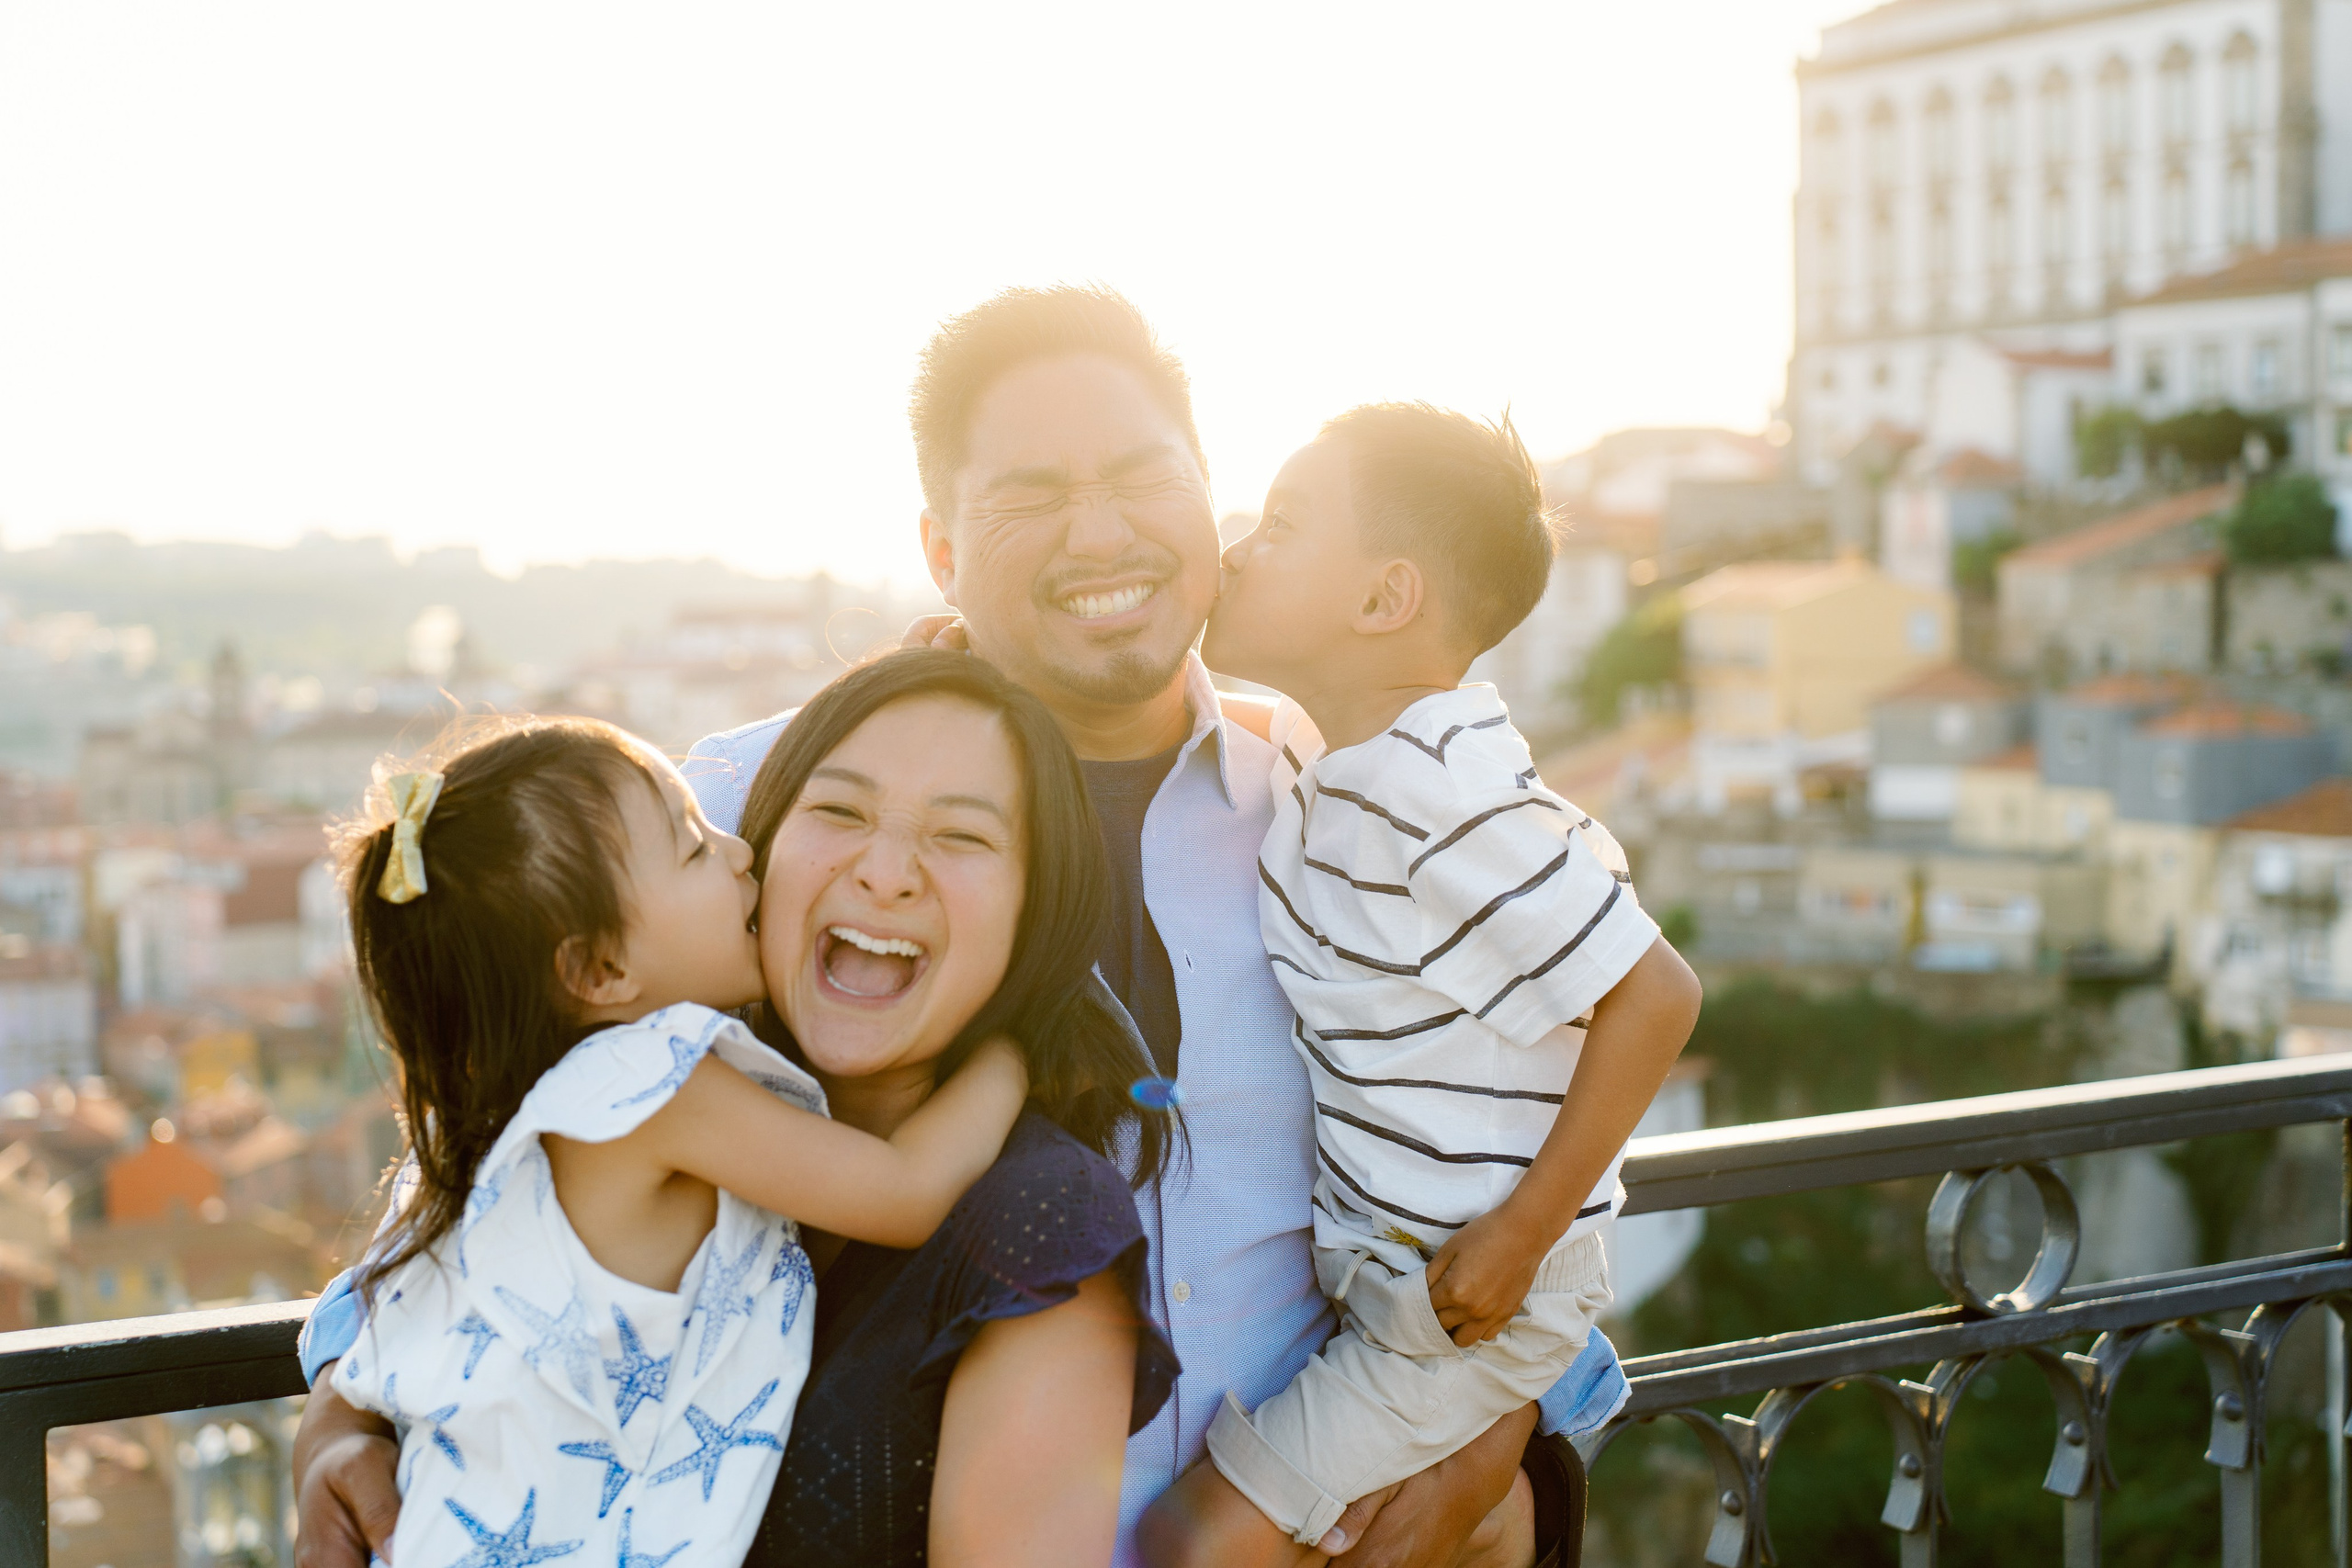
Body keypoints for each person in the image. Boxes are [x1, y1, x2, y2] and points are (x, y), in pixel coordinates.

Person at [295, 284, 1631, 1567]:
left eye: (1143, 476)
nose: (1100, 534)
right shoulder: (756, 816)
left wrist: (1495, 1453)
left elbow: (1497, 1141)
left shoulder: (1339, 805)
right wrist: (344, 1412)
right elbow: (522, 1103)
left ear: (1208, 499)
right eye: (1032, 494)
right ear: (939, 548)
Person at [293, 651, 1179, 1568]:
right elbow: (418, 1266)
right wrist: (335, 1424)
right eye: (839, 811)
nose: (886, 873)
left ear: (1037, 904)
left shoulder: (1038, 1221)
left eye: (962, 835)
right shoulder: (659, 1082)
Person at [1138, 405, 1702, 1565]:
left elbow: (1656, 994)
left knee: (1193, 1543)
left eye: (1282, 525)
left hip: (1464, 1299)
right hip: (1405, 1284)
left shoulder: (1440, 791)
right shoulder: (1348, 758)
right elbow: (1217, 712)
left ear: (1384, 598)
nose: (1238, 548)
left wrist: (1523, 1235)